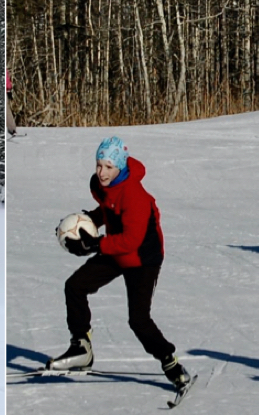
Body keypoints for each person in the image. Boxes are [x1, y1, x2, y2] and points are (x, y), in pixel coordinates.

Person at [44, 137, 193, 396]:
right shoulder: (104, 185)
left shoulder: (135, 195)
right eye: (99, 165)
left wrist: (95, 245)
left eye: (108, 167)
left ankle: (171, 364)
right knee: (75, 287)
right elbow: (108, 209)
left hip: (142, 260)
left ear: (120, 167)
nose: (101, 172)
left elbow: (131, 240)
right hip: (115, 251)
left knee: (139, 320)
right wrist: (86, 221)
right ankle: (81, 348)